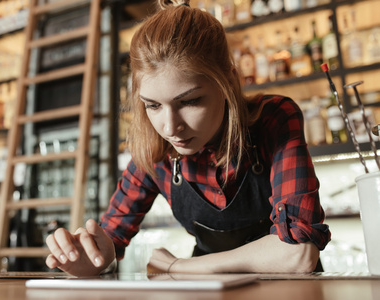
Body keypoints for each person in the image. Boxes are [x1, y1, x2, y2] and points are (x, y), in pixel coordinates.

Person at [45, 0, 331, 276]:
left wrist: (177, 267)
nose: (170, 128)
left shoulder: (274, 118)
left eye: (190, 101)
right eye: (153, 105)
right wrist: (91, 257)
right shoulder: (154, 150)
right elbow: (109, 241)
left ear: (229, 81)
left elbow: (299, 253)